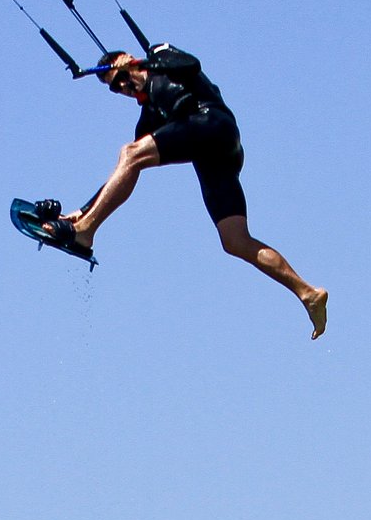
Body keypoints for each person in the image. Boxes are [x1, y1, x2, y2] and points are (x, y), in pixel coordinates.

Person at [57, 47, 328, 339]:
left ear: (130, 61)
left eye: (122, 77)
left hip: (214, 125)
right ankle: (308, 293)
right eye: (115, 88)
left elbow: (191, 64)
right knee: (234, 240)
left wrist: (145, 60)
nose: (123, 87)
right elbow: (124, 170)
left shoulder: (161, 62)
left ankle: (86, 233)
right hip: (215, 158)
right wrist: (85, 208)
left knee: (131, 153)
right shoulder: (149, 114)